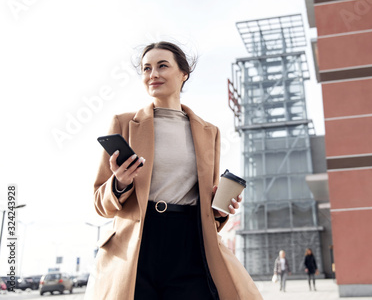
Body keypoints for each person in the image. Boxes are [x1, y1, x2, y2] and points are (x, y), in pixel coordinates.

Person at [87, 41, 262, 300]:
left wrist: (220, 207)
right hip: (136, 246)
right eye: (146, 68)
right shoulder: (123, 124)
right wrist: (119, 183)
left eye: (162, 66)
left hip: (189, 241)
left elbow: (208, 205)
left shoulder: (208, 132)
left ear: (183, 74)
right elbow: (100, 205)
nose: (152, 74)